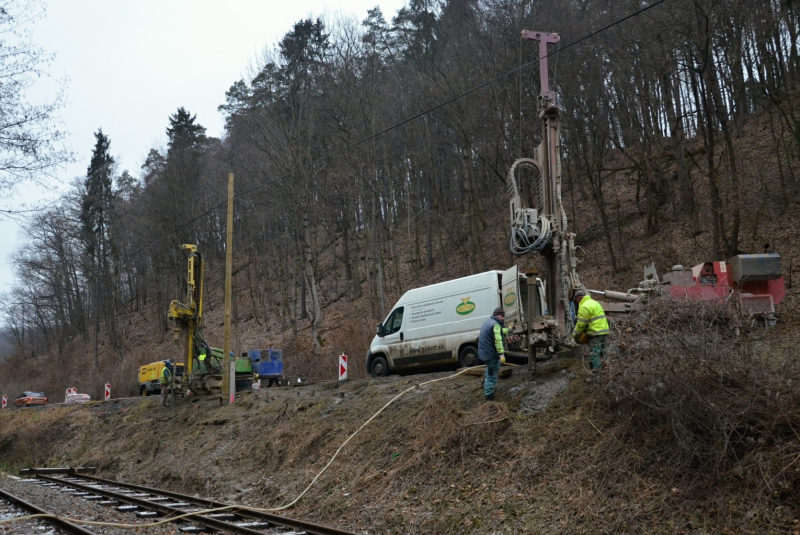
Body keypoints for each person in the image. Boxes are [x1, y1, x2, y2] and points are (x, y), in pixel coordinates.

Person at [571, 290, 610, 373]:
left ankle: (597, 375)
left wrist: (574, 334)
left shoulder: (584, 307)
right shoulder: (594, 303)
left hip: (595, 333)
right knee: (602, 353)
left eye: (576, 300)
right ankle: (605, 372)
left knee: (594, 354)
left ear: (578, 298)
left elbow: (581, 324)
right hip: (604, 331)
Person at [478, 307, 509, 401]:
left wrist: (508, 330)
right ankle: (489, 397)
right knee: (492, 375)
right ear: (497, 315)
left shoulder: (488, 322)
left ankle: (484, 384)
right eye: (502, 316)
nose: (503, 318)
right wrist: (501, 354)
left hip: (484, 353)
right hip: (490, 355)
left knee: (489, 369)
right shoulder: (495, 325)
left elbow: (498, 332)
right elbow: (498, 340)